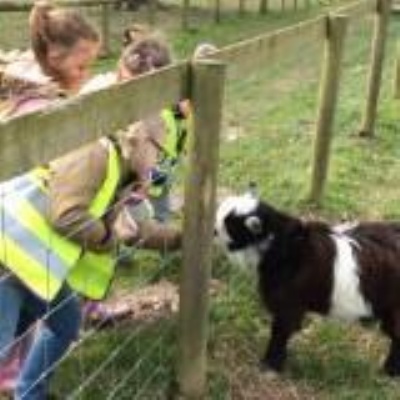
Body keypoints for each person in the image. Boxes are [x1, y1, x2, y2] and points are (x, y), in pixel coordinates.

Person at [0, 2, 104, 398]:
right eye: (82, 65)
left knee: (63, 322)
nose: (86, 74)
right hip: (9, 247)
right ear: (55, 57)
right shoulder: (40, 112)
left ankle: (28, 391)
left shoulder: (45, 97)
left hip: (30, 247)